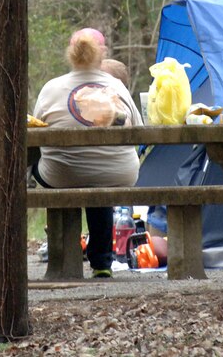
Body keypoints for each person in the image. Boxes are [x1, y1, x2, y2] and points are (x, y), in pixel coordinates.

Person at [31, 28, 143, 278]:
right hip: (118, 173)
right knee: (99, 176)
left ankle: (63, 259)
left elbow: (35, 127)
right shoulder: (116, 86)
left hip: (61, 176)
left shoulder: (52, 87)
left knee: (41, 161)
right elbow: (139, 127)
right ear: (101, 56)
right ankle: (102, 263)